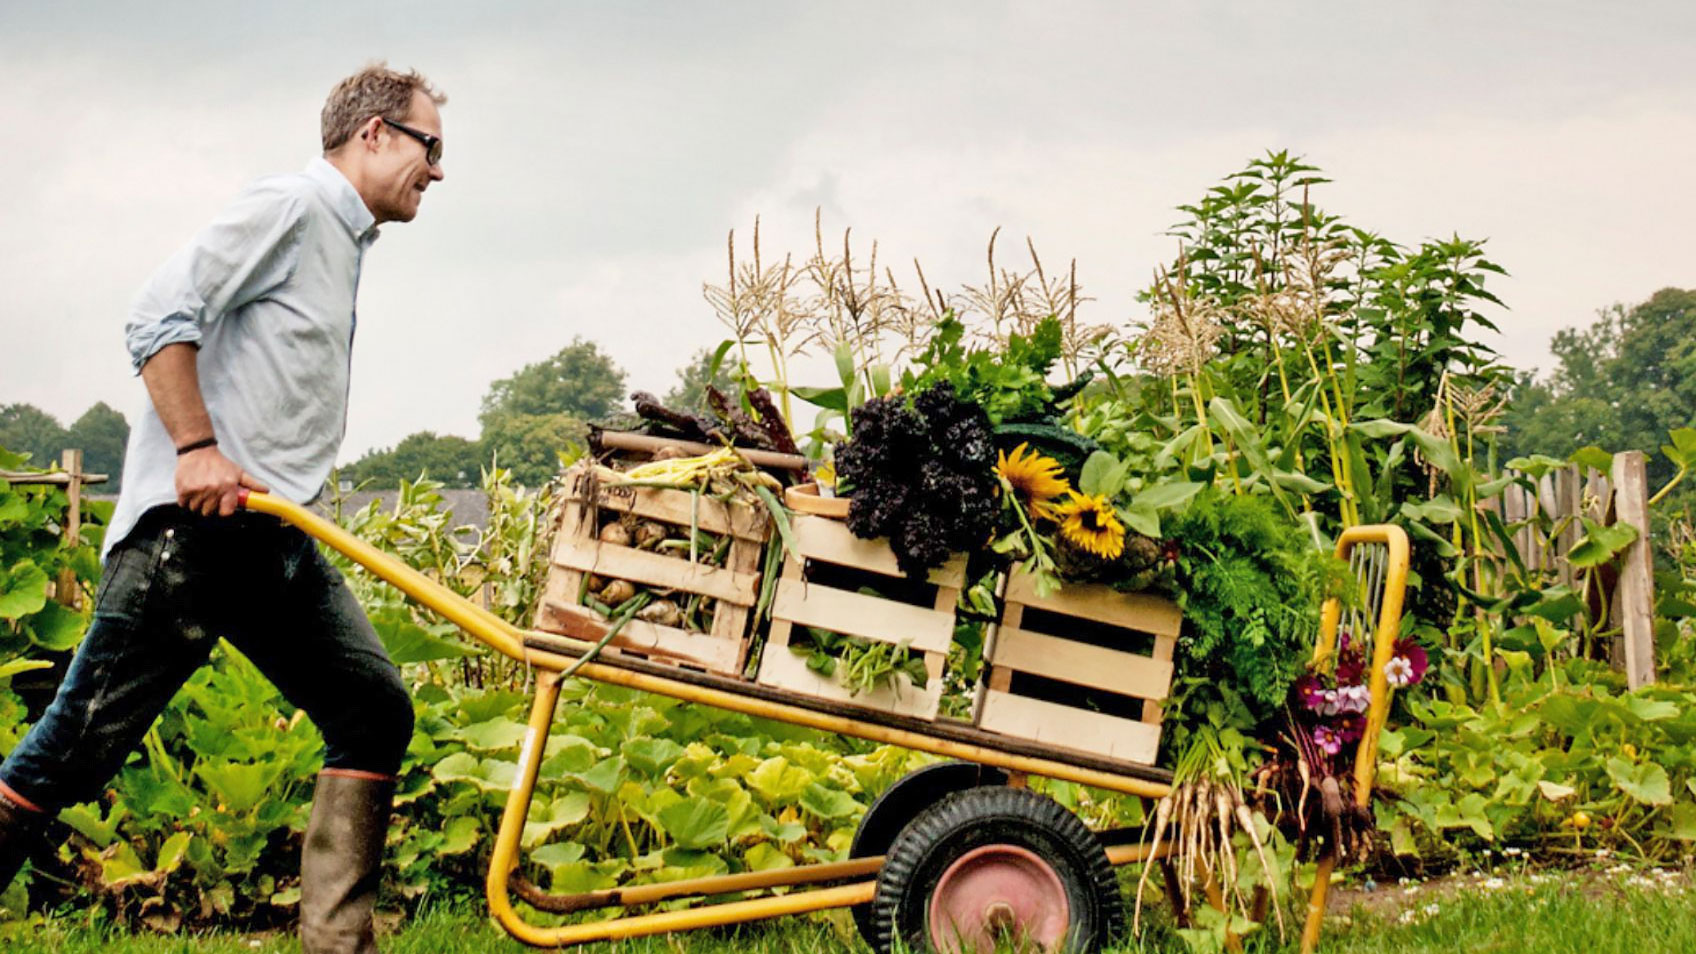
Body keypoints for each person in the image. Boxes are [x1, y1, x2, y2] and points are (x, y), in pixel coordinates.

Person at [0, 63, 446, 954]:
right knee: (73, 750)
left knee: (371, 711)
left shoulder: (344, 239)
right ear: (372, 134)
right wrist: (197, 448)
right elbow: (158, 312)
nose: (437, 170)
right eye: (429, 146)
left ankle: (337, 945)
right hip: (191, 541)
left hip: (274, 541)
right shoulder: (292, 207)